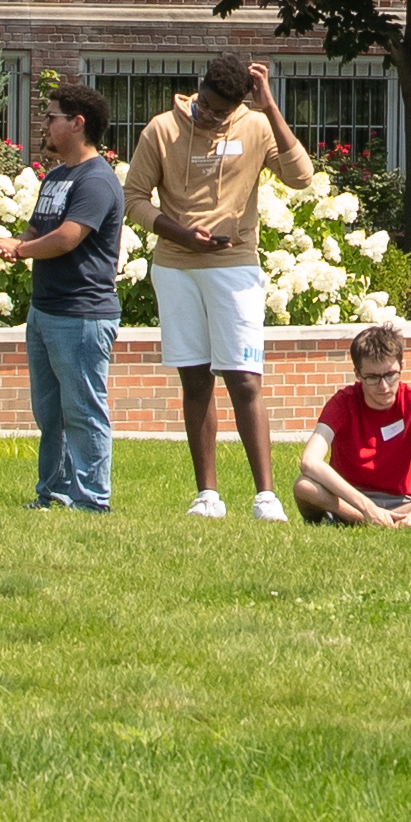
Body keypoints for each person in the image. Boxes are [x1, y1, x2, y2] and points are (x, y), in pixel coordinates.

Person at [124, 57, 318, 518]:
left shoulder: (254, 126)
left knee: (244, 379)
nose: (210, 117)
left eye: (221, 112)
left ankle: (266, 495)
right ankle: (207, 494)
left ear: (240, 104)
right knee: (195, 377)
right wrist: (178, 233)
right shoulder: (162, 129)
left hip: (234, 267)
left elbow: (301, 177)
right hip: (176, 266)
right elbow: (133, 198)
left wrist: (269, 106)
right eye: (206, 106)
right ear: (199, 88)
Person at [8, 77, 125, 512]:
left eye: (51, 116)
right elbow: (41, 226)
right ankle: (53, 492)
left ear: (77, 124)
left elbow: (68, 237)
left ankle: (92, 499)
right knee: (50, 413)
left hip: (82, 314)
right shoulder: (57, 176)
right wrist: (18, 242)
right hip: (46, 310)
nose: (45, 123)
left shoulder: (97, 180)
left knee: (83, 410)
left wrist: (20, 251)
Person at [295, 321, 411, 530]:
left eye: (390, 375)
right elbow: (309, 461)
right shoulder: (342, 402)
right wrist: (366, 507)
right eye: (373, 378)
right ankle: (382, 520)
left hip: (401, 501)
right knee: (304, 486)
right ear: (358, 374)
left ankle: (355, 520)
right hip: (349, 497)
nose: (383, 386)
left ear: (401, 366)